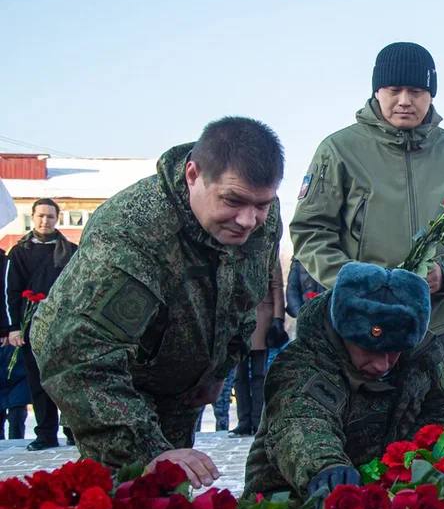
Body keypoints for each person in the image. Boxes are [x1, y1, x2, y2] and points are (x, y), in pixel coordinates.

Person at [30, 117, 284, 486]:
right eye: (233, 201)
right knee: (129, 498)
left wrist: (217, 369)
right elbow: (77, 354)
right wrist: (147, 451)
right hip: (112, 386)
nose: (248, 220)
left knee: (173, 498)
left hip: (180, 386)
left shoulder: (260, 217)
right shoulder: (133, 233)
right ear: (193, 175)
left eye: (262, 204)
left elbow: (243, 298)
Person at [290, 41, 444, 416]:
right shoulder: (338, 151)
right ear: (377, 90)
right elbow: (310, 232)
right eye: (394, 90)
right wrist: (357, 284)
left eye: (416, 91)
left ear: (431, 94)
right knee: (369, 437)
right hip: (363, 326)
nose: (405, 101)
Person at [243, 263, 444, 498]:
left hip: (385, 494)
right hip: (292, 498)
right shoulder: (303, 364)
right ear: (342, 332)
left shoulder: (421, 357)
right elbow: (301, 421)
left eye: (393, 351)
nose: (381, 365)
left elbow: (438, 414)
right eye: (369, 349)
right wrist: (327, 467)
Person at [3, 198, 79, 449]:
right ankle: (45, 434)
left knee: (68, 380)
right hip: (32, 325)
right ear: (33, 217)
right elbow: (11, 291)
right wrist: (14, 327)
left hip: (64, 326)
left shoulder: (71, 250)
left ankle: (73, 430)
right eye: (41, 216)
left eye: (50, 216)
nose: (45, 221)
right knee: (38, 382)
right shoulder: (19, 252)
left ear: (57, 218)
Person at [230, 259, 286, 436]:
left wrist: (278, 318)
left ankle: (257, 420)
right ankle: (244, 421)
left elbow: (277, 287)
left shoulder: (268, 253)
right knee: (239, 376)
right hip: (237, 319)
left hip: (262, 319)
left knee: (259, 375)